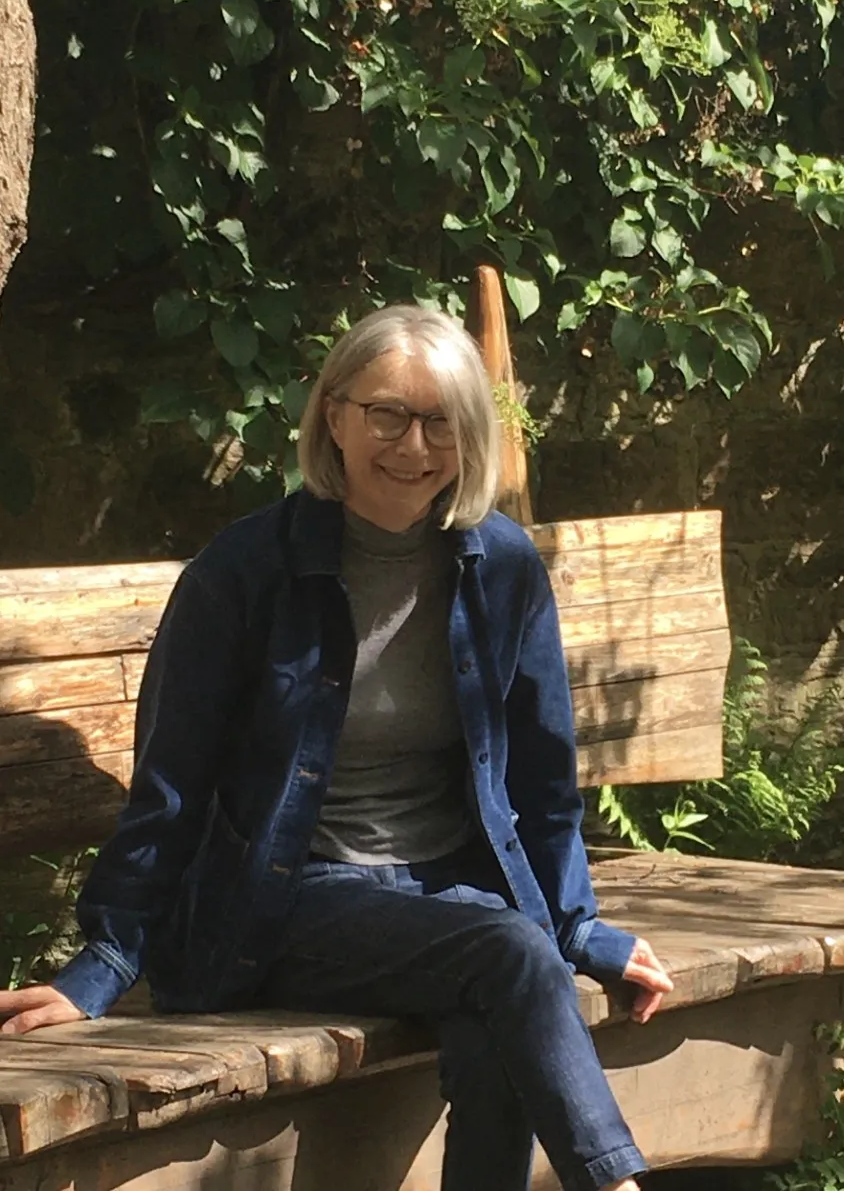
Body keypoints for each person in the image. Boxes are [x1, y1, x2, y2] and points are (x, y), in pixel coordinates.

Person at [0, 305, 672, 1191]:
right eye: (387, 413)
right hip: (288, 898)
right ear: (334, 416)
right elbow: (172, 781)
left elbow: (545, 781)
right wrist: (107, 962)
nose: (413, 445)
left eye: (442, 422)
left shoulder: (502, 567)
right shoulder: (245, 571)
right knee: (511, 954)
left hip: (447, 896)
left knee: (497, 1012)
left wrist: (580, 924)